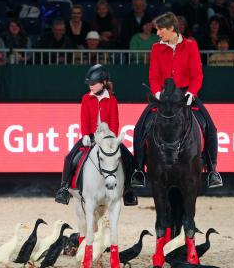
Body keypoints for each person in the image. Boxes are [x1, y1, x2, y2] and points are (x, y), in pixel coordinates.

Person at [131, 12, 223, 189]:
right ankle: (139, 170)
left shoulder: (190, 46)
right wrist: (157, 93)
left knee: (211, 127)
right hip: (163, 96)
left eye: (160, 30)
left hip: (185, 95)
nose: (157, 33)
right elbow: (154, 75)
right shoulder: (157, 48)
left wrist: (191, 93)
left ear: (171, 29)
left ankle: (212, 171)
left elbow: (197, 74)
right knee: (139, 128)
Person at [55, 64, 138, 206]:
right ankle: (64, 187)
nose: (90, 86)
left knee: (128, 158)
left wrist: (110, 140)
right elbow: (84, 119)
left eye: (93, 84)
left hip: (108, 139)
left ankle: (129, 190)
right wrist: (86, 135)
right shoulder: (86, 98)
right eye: (89, 84)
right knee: (70, 157)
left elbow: (114, 123)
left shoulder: (112, 100)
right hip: (91, 137)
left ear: (104, 83)